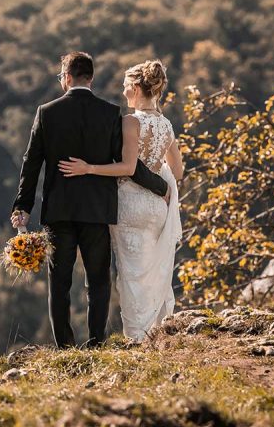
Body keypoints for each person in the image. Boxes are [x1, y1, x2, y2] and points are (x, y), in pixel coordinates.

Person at [9, 52, 169, 348]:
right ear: (90, 78)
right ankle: (97, 342)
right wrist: (160, 186)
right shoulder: (109, 113)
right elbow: (127, 163)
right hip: (97, 209)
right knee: (98, 281)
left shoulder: (47, 112)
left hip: (60, 209)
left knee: (60, 284)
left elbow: (32, 162)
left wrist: (22, 206)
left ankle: (65, 346)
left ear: (67, 77)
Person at [58, 60, 184, 342]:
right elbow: (177, 171)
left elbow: (127, 168)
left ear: (137, 87)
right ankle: (159, 330)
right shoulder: (166, 125)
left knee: (131, 274)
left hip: (131, 207)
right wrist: (159, 175)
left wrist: (88, 168)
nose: (124, 90)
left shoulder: (131, 121)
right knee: (152, 269)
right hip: (157, 208)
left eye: (127, 85)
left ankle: (139, 337)